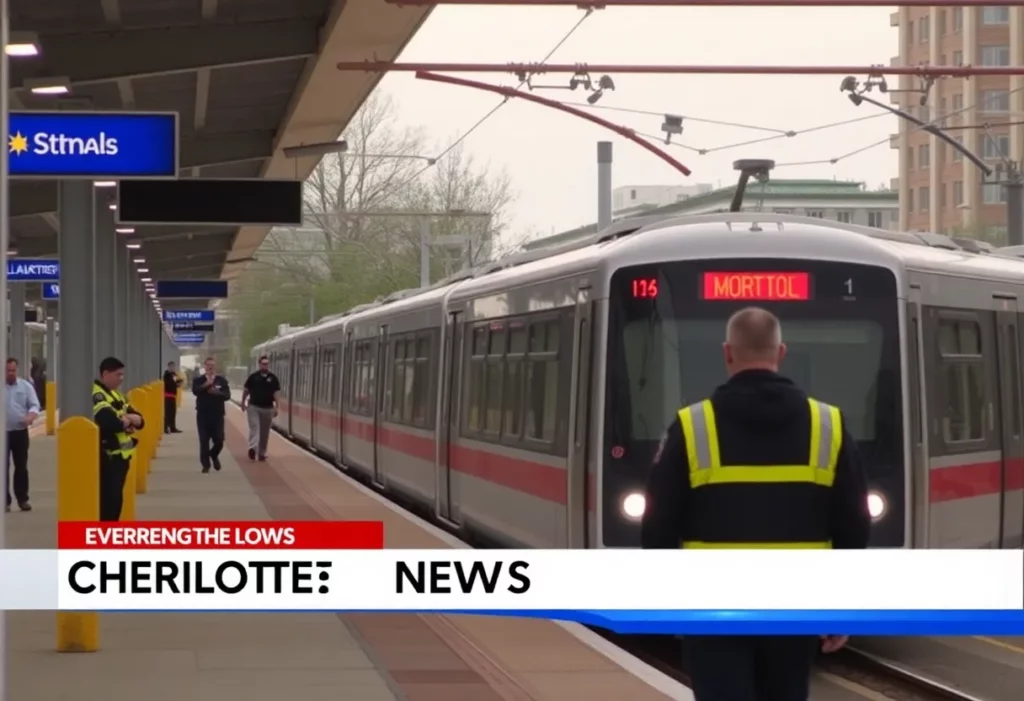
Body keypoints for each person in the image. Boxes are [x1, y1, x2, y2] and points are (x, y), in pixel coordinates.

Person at [640, 307, 871, 701]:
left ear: (727, 352)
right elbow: (853, 524)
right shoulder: (828, 424)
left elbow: (658, 526)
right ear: (781, 352)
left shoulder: (693, 425)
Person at [93, 357, 144, 521]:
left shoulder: (117, 394)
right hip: (107, 458)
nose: (121, 379)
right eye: (118, 375)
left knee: (116, 503)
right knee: (108, 504)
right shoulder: (97, 394)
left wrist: (127, 419)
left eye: (122, 375)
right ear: (105, 374)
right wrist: (127, 421)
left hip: (121, 457)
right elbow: (109, 421)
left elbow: (141, 421)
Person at [5, 358, 40, 512]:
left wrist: (30, 416)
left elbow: (34, 405)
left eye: (13, 370)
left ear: (17, 370)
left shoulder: (25, 387)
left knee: (21, 466)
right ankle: (4, 501)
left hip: (20, 433)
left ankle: (22, 499)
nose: (11, 373)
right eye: (8, 370)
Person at [192, 356, 230, 473]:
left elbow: (227, 395)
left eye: (212, 366)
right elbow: (195, 391)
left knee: (219, 440)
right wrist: (206, 385)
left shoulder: (221, 380)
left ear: (215, 366)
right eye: (208, 365)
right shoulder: (198, 380)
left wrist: (216, 392)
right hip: (203, 415)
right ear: (205, 366)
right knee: (204, 440)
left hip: (217, 415)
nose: (210, 368)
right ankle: (206, 465)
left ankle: (213, 454)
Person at [240, 355, 280, 461]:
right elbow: (246, 390)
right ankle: (253, 448)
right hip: (254, 407)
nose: (265, 366)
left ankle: (262, 452)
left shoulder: (273, 378)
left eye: (266, 364)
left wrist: (277, 407)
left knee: (264, 432)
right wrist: (243, 402)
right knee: (255, 427)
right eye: (263, 364)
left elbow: (276, 393)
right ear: (259, 364)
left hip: (268, 408)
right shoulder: (253, 377)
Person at [162, 361, 183, 434]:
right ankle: (165, 428)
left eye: (173, 367)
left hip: (173, 396)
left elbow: (176, 382)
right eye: (171, 367)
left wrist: (178, 383)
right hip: (168, 396)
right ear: (168, 367)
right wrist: (175, 384)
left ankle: (172, 427)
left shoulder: (174, 374)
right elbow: (169, 384)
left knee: (173, 413)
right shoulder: (166, 375)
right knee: (168, 413)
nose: (172, 368)